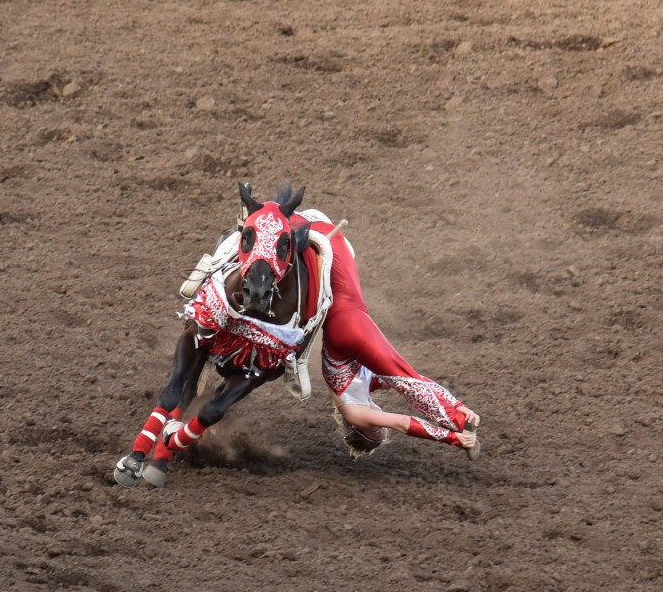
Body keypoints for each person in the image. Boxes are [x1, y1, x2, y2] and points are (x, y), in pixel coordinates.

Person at [192, 184, 481, 460]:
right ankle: (274, 225)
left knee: (405, 377)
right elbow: (395, 386)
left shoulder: (355, 412)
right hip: (345, 323)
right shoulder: (361, 395)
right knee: (404, 377)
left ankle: (272, 227)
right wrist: (456, 426)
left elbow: (403, 421)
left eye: (378, 430)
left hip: (348, 322)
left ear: (363, 429)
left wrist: (455, 434)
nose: (382, 422)